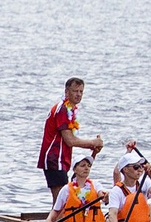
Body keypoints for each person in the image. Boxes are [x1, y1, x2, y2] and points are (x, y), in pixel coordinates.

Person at [36, 76, 103, 204]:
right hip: (54, 158)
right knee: (61, 200)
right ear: (67, 92)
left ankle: (58, 221)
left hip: (61, 159)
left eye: (81, 92)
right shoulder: (62, 110)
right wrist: (92, 143)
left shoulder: (70, 109)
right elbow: (70, 140)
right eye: (75, 91)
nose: (78, 95)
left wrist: (92, 148)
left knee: (63, 199)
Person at [51, 155, 106, 222]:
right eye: (82, 166)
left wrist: (105, 195)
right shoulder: (66, 189)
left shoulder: (96, 185)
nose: (86, 168)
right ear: (74, 170)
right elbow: (56, 210)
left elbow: (102, 194)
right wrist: (48, 221)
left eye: (88, 166)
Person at [109, 148, 151, 222]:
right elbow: (112, 214)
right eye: (136, 167)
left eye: (141, 166)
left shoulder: (144, 183)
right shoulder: (116, 191)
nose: (140, 169)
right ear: (125, 169)